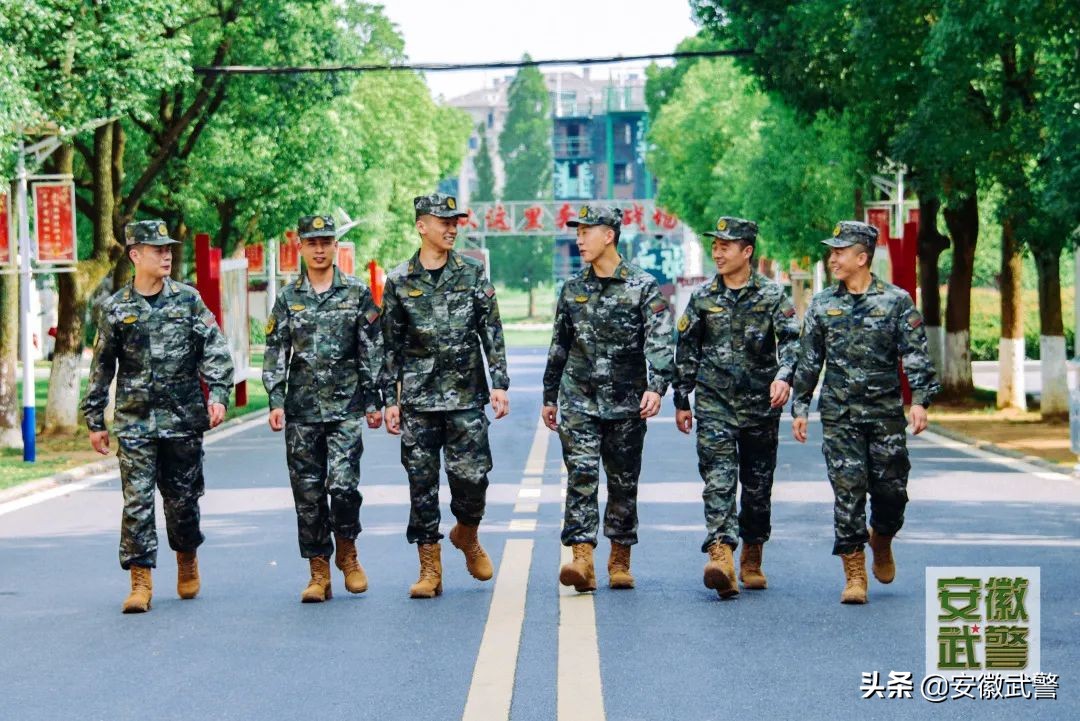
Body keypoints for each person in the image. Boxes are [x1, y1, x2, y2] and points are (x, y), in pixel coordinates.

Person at [82, 219, 234, 613]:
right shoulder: (116, 308)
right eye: (157, 249)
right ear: (135, 255)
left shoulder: (188, 300)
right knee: (137, 502)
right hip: (135, 422)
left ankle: (186, 558)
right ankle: (140, 580)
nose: (166, 255)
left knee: (182, 502)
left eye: (168, 249)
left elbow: (214, 350)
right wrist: (94, 419)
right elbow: (102, 367)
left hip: (183, 419)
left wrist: (218, 394)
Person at [791, 220, 940, 604]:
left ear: (862, 257)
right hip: (840, 415)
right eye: (832, 252)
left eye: (840, 252)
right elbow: (810, 360)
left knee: (892, 492)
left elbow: (916, 355)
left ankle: (883, 537)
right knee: (848, 492)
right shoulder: (823, 304)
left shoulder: (896, 301)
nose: (832, 258)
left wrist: (920, 400)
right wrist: (801, 406)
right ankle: (854, 573)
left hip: (885, 415)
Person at [380, 193, 510, 599]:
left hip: (467, 397)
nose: (452, 228)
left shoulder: (472, 274)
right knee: (421, 486)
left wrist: (500, 383)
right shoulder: (399, 280)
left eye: (455, 222)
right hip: (418, 401)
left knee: (473, 481)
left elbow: (491, 329)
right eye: (443, 221)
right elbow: (389, 345)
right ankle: (429, 568)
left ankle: (467, 535)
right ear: (422, 226)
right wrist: (389, 400)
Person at [542, 204, 674, 592]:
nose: (579, 239)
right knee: (580, 475)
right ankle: (581, 557)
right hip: (579, 399)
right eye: (577, 231)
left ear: (609, 235)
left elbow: (661, 338)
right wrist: (550, 395)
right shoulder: (573, 289)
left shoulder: (642, 286)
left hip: (626, 401)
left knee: (622, 481)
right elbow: (559, 345)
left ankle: (620, 557)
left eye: (587, 231)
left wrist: (657, 385)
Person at [673, 216, 800, 598]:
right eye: (715, 245)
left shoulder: (773, 296)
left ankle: (752, 555)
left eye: (726, 246)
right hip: (714, 406)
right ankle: (722, 556)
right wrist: (682, 399)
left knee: (758, 490)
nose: (718, 251)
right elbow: (687, 351)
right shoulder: (702, 298)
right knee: (719, 482)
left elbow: (793, 341)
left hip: (761, 406)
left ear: (747, 251)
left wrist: (784, 376)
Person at [263, 214, 383, 603]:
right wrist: (275, 400)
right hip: (302, 411)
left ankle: (348, 554)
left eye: (325, 242)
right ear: (301, 246)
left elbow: (370, 350)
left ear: (335, 247)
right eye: (312, 242)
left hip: (346, 407)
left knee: (344, 487)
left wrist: (374, 400)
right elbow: (276, 352)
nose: (319, 249)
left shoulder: (356, 293)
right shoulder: (287, 298)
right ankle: (318, 572)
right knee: (308, 495)